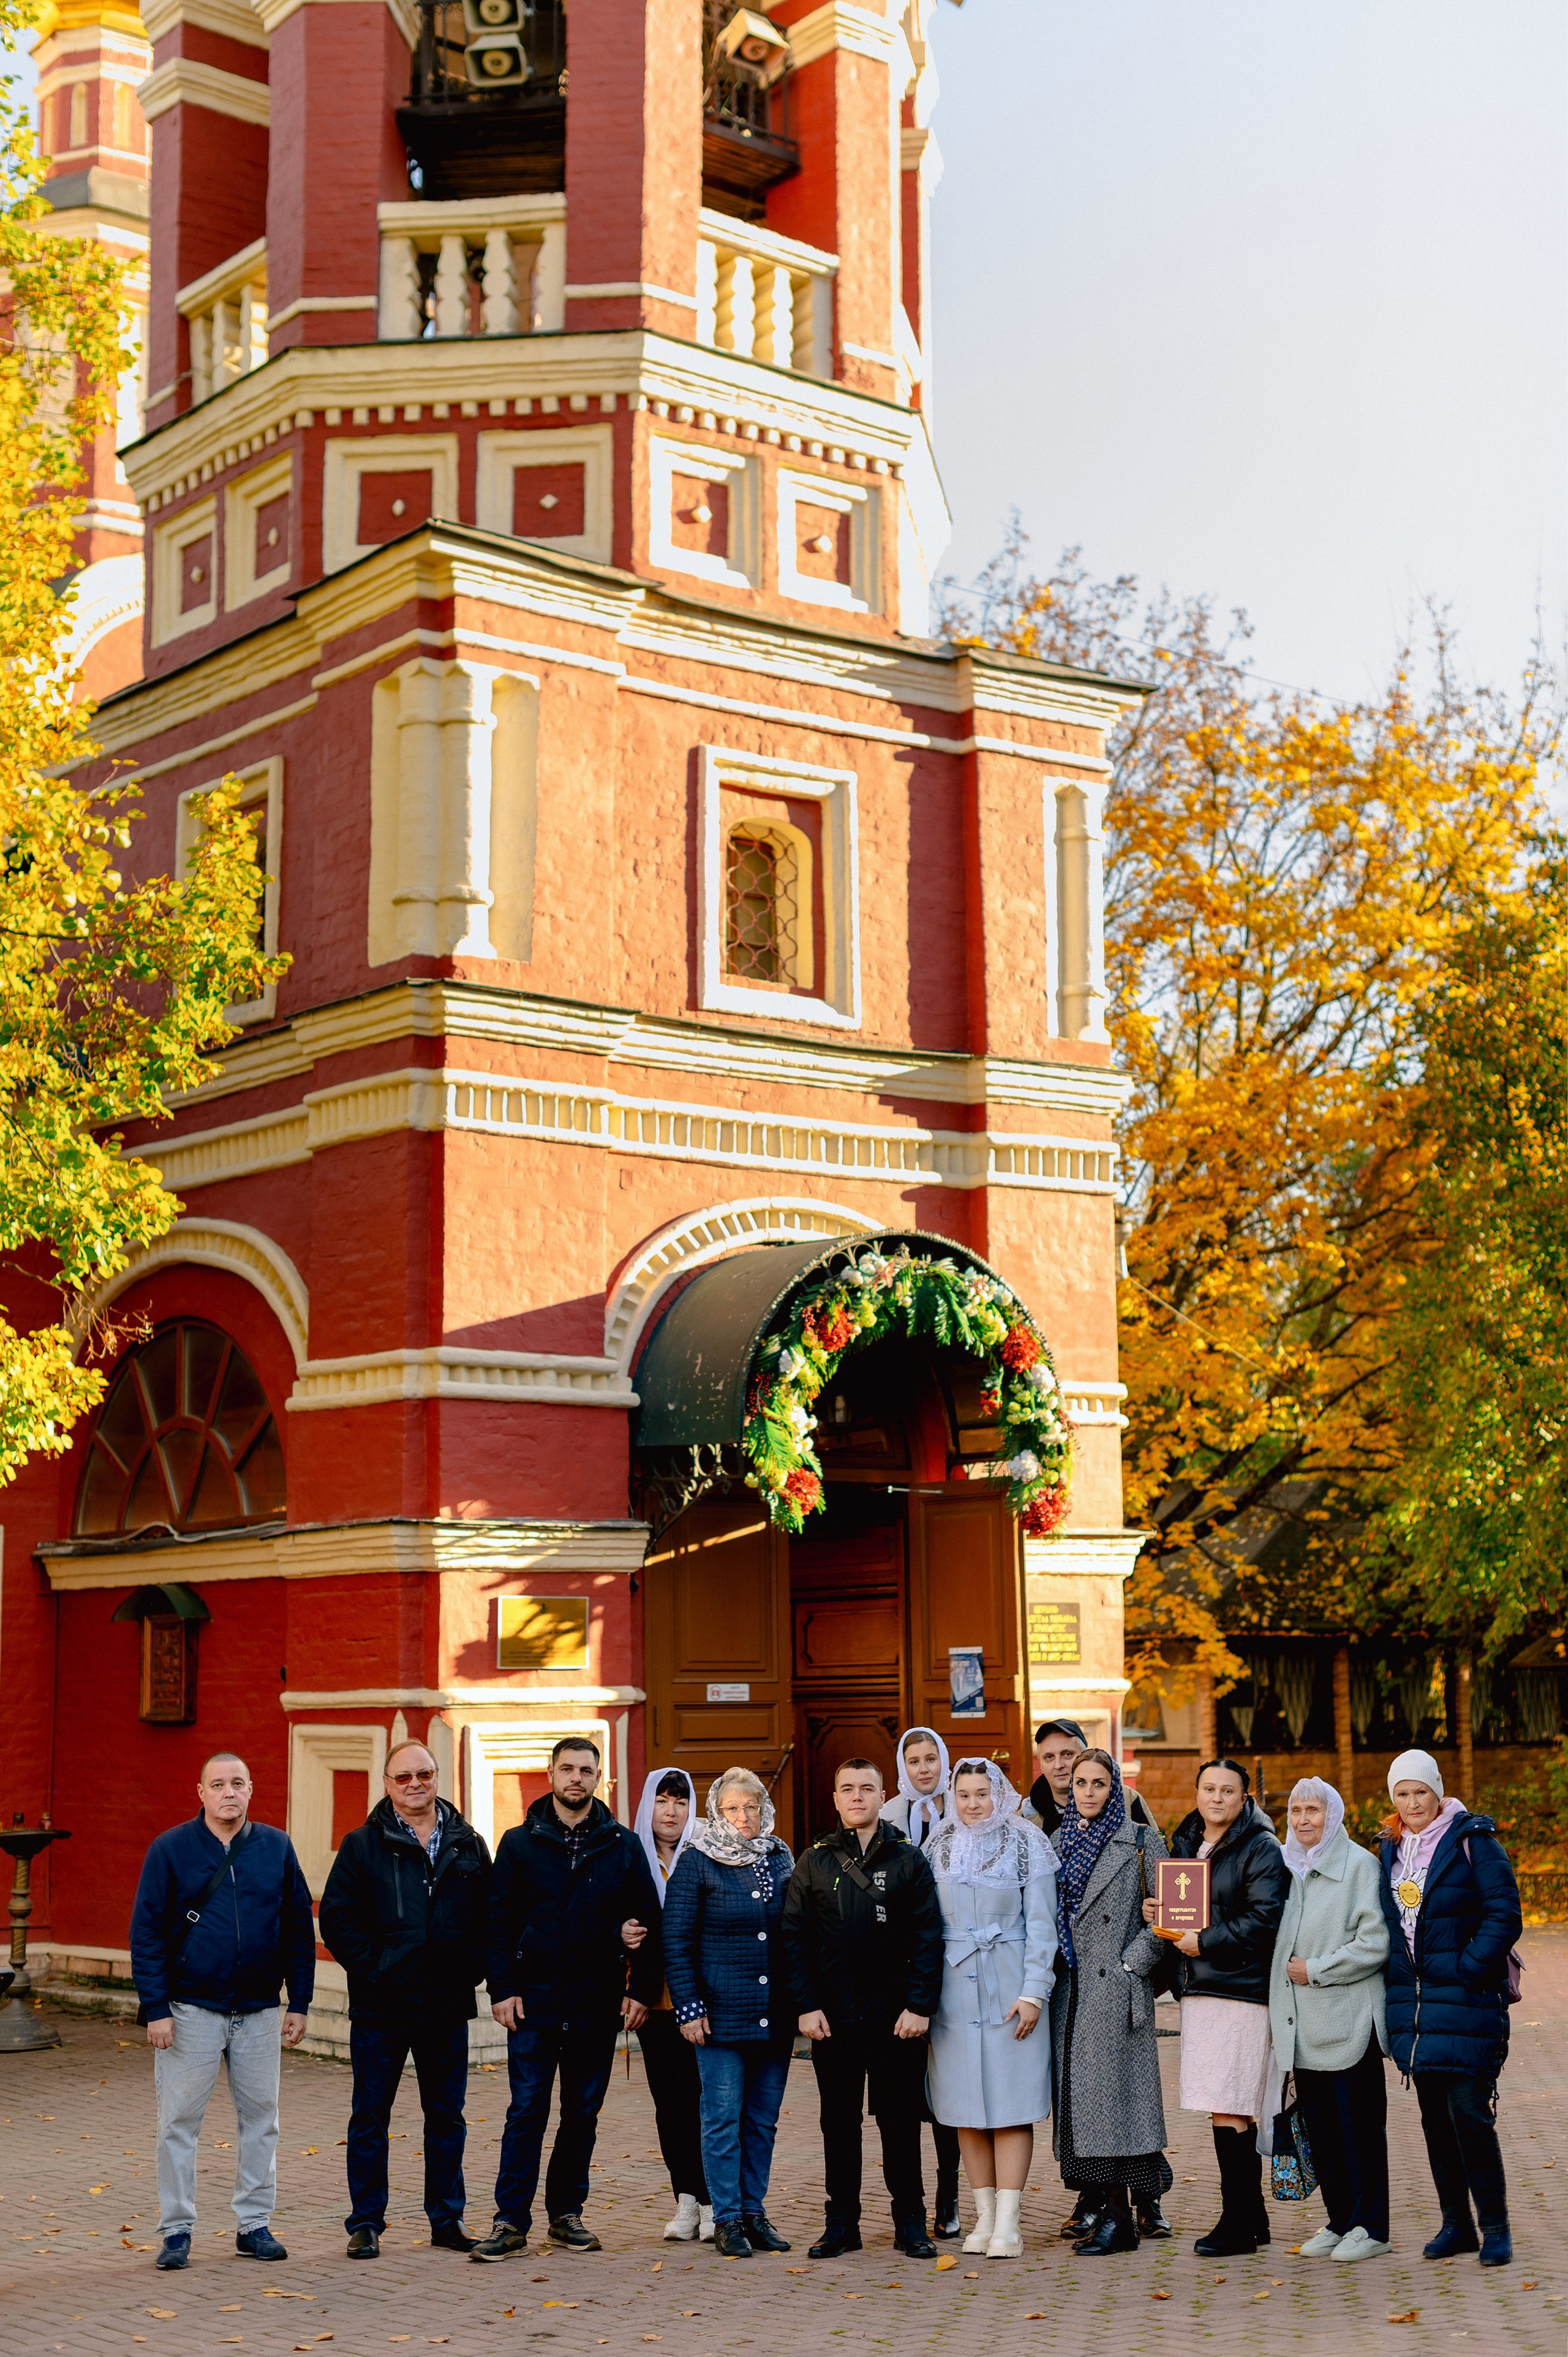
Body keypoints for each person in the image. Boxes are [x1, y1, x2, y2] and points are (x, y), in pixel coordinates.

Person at [472, 1735, 662, 2263]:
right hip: (533, 2002)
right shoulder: (518, 1842)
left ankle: (565, 2215)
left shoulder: (622, 1844)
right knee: (526, 2109)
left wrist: (641, 1990)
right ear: (551, 1774)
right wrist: (503, 1988)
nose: (576, 1777)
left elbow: (649, 1920)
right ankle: (510, 2220)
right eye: (568, 1768)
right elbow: (498, 1923)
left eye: (586, 1769)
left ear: (599, 1778)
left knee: (582, 2111)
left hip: (597, 2001)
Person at [129, 1750, 314, 2273]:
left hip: (257, 2011)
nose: (229, 1792)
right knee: (178, 2123)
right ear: (202, 1792)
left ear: (251, 1789)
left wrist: (299, 2000)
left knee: (261, 2120)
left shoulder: (276, 1847)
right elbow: (145, 1932)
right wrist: (156, 2008)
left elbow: (299, 1928)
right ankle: (177, 2230)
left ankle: (254, 2224)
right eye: (218, 1784)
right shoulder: (170, 1849)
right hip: (190, 2010)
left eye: (238, 1783)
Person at [319, 1738, 492, 2259]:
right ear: (388, 1784)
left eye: (425, 1774)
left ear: (437, 1777)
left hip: (445, 2003)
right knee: (371, 2115)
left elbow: (492, 1915)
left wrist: (471, 1970)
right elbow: (337, 1919)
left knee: (447, 2115)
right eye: (404, 1777)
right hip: (383, 2006)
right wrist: (379, 1969)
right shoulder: (362, 1844)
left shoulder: (467, 1841)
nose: (416, 1784)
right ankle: (366, 2221)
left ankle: (447, 2218)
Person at [782, 1756, 946, 2260]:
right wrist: (806, 2007)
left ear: (882, 1795)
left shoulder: (908, 1859)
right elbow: (794, 1939)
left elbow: (929, 1936)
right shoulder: (814, 1860)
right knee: (839, 2123)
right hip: (834, 2019)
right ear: (835, 1799)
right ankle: (842, 2224)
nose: (857, 1796)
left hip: (898, 2019)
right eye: (847, 1788)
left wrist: (919, 2005)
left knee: (899, 2122)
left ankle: (911, 2222)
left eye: (866, 1788)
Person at [1376, 1748, 1523, 2268]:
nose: (1413, 1802)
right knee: (1434, 2120)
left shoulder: (1472, 1841)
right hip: (1415, 2009)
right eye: (1403, 1793)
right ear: (1393, 1797)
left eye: (1421, 1791)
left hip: (1466, 2002)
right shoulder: (1389, 1850)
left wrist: (1468, 1967)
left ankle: (1496, 2226)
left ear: (1438, 1792)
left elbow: (1504, 1913)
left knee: (1470, 2115)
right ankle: (1456, 2225)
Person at [1152, 1757, 1289, 2257]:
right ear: (1197, 1792)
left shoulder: (1261, 1847)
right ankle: (1253, 2218)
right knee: (1225, 2104)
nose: (1216, 1798)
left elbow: (1264, 1920)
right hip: (1203, 1990)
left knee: (1230, 2106)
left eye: (1227, 1791)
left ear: (1243, 1797)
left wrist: (1203, 1941)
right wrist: (1159, 1914)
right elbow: (1186, 1905)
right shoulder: (1189, 1842)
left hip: (1240, 1992)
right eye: (1208, 1788)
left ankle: (1237, 2222)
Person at [925, 1757, 1058, 2259]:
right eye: (964, 1794)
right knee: (965, 2110)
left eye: (982, 1793)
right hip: (953, 1992)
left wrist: (1033, 1992)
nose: (973, 1803)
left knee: (1010, 2107)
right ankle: (981, 2218)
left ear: (999, 1793)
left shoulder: (1027, 1842)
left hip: (1009, 1989)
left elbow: (1042, 1925)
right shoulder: (938, 1843)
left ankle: (1009, 2221)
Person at [662, 1768, 795, 2260]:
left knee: (762, 2120)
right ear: (717, 1811)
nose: (743, 1816)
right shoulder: (696, 1860)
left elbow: (794, 1931)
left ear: (764, 1809)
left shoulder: (780, 1855)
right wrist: (689, 2008)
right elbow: (675, 1939)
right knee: (721, 2118)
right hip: (717, 2016)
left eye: (752, 1807)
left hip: (774, 2013)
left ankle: (755, 2212)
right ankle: (727, 2217)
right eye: (733, 1808)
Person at [1048, 1748, 1172, 2255]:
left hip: (1117, 1992)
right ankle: (1109, 2211)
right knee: (1088, 2109)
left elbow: (1169, 1910)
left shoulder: (1141, 1838)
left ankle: (1122, 2220)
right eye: (1081, 1783)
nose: (1089, 1792)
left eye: (1100, 1782)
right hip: (1072, 1993)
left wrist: (1132, 1963)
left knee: (1117, 2108)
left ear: (1115, 1786)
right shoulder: (1056, 1842)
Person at [1268, 1776, 1391, 2263]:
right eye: (1296, 1810)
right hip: (1303, 2026)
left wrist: (1316, 1970)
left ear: (1333, 1815)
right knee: (1320, 2130)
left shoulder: (1360, 1865)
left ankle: (1373, 2225)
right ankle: (1341, 2220)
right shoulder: (1286, 1867)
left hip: (1349, 2021)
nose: (1302, 1820)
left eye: (1313, 1811)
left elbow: (1376, 1942)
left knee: (1360, 2129)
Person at [877, 1725, 962, 2236]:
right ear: (902, 1766)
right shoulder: (887, 1816)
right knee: (907, 2093)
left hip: (955, 1964)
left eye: (932, 1758)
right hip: (900, 1972)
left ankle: (949, 2194)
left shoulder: (966, 1805)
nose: (924, 1767)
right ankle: (908, 2202)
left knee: (949, 2091)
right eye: (914, 1760)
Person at [631, 1768, 713, 2244]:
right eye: (663, 1800)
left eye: (681, 1803)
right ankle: (686, 2198)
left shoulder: (704, 1856)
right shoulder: (630, 1857)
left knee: (709, 2103)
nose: (671, 1811)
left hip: (703, 2001)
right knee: (672, 2104)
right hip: (655, 2004)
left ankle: (713, 2201)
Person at [1027, 1717, 1156, 1836]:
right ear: (1040, 1763)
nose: (1058, 1765)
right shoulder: (1027, 1817)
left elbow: (1157, 1852)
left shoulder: (1127, 1799)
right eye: (1049, 1757)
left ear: (1084, 1756)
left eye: (1067, 1755)